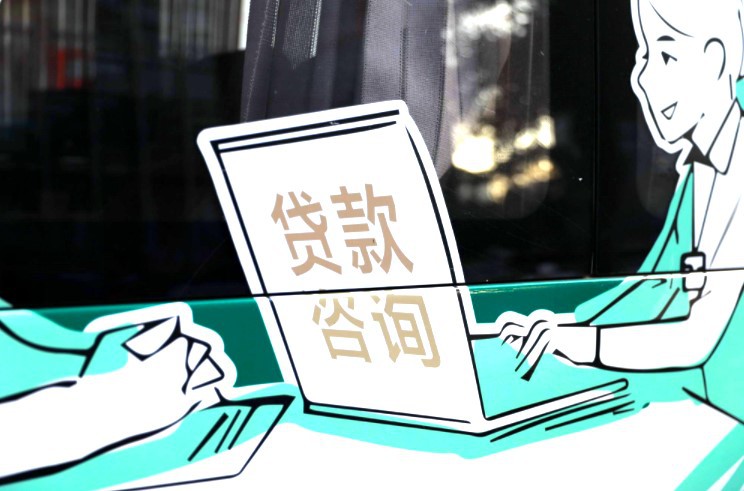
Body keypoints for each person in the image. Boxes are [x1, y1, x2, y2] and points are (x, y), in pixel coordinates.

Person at [494, 0, 744, 422]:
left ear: (716, 60)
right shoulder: (697, 171)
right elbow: (648, 289)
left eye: (666, 55)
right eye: (643, 54)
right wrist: (564, 329)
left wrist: (584, 344)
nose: (642, 77)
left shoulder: (736, 165)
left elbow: (695, 339)